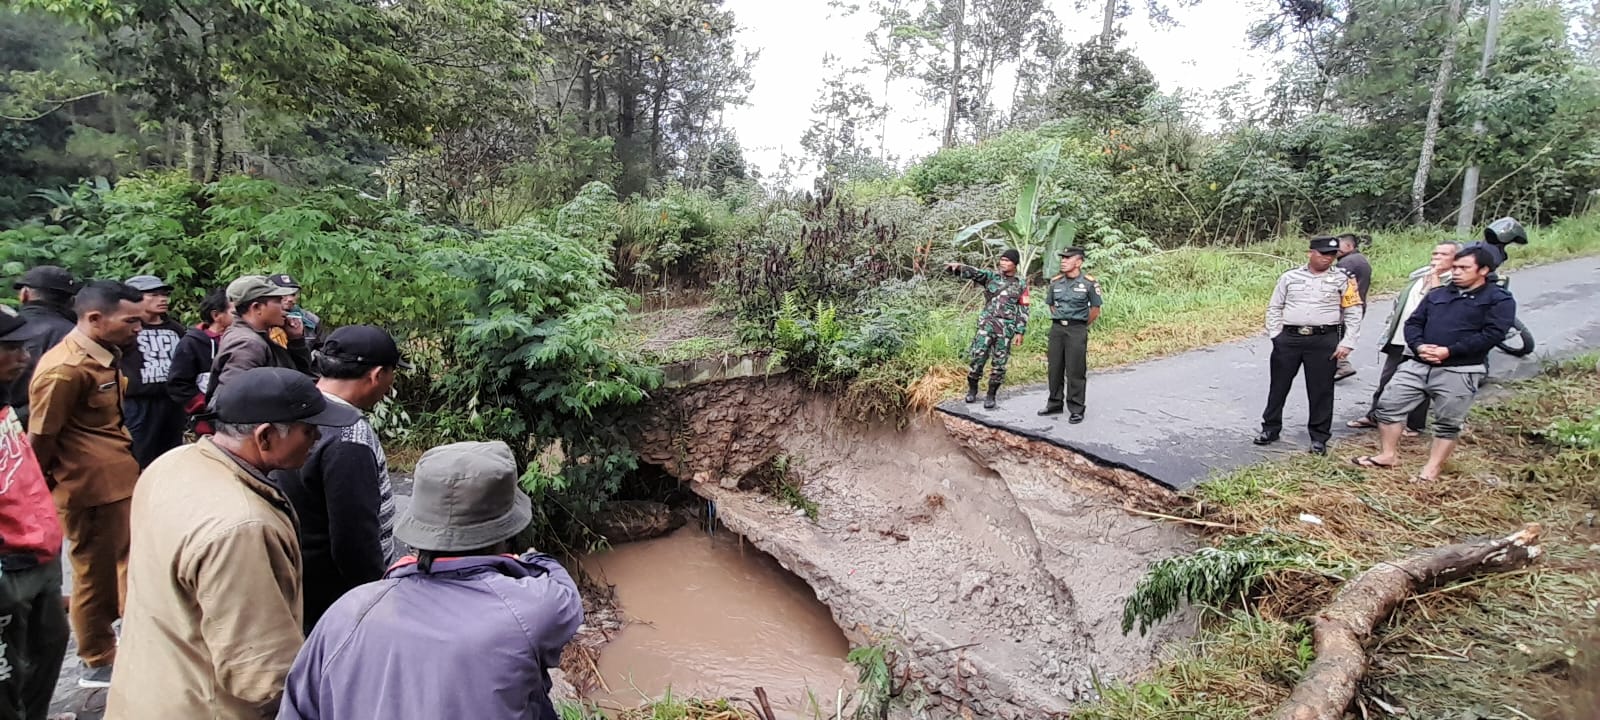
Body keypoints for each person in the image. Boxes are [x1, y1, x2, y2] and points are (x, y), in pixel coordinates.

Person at [106, 367, 360, 720]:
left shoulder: (171, 464)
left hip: (145, 690)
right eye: (308, 429)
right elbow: (262, 675)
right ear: (266, 436)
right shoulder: (243, 527)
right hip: (205, 707)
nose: (317, 437)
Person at [278, 440, 583, 720]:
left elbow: (297, 709)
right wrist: (526, 560)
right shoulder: (531, 606)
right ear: (506, 531)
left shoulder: (348, 612)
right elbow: (565, 593)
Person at [26, 280, 144, 688]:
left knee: (127, 561)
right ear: (95, 319)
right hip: (87, 486)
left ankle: (132, 637)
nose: (138, 329)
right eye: (131, 321)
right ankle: (96, 658)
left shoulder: (106, 354)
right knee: (93, 572)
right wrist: (37, 486)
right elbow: (42, 436)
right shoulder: (65, 368)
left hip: (118, 477)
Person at [272, 325, 411, 632]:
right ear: (376, 375)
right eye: (391, 374)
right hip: (337, 598)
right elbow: (353, 538)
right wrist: (373, 596)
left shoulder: (294, 410)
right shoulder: (350, 434)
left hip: (298, 577)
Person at [1352, 246, 1515, 482]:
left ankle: (1432, 469)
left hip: (1459, 369)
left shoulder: (1497, 299)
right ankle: (1388, 455)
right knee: (1387, 407)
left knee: (1448, 422)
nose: (1456, 272)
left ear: (1483, 270)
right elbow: (1413, 323)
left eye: (1464, 268)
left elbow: (1493, 334)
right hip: (1418, 363)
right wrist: (1418, 346)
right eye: (1455, 267)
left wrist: (1449, 351)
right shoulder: (1439, 294)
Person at [0, 306, 70, 720]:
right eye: (10, 348)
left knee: (48, 649)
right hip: (8, 566)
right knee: (7, 677)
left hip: (39, 551)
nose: (24, 357)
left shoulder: (7, 401)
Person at [1255, 236, 1363, 456]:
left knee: (1321, 390)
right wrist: (1276, 334)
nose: (1327, 259)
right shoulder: (1290, 277)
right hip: (1290, 338)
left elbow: (1353, 311)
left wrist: (1348, 341)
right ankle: (1270, 428)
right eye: (1323, 254)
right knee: (1279, 386)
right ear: (1310, 253)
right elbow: (1275, 306)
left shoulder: (1344, 279)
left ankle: (1319, 437)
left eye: (1331, 255)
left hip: (1323, 339)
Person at [1348, 242, 1460, 435]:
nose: (1436, 257)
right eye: (1435, 253)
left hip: (1425, 341)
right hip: (1401, 336)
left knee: (1420, 382)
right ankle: (1375, 416)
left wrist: (1434, 277)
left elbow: (1439, 305)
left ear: (1456, 259)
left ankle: (1414, 425)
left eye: (1443, 254)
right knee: (1387, 379)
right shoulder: (1419, 275)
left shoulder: (1453, 283)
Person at [945, 249, 1030, 409]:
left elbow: (1024, 308)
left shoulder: (1021, 284)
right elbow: (975, 273)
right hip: (986, 327)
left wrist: (1020, 331)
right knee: (977, 358)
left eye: (1007, 260)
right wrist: (959, 267)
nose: (1003, 263)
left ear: (1015, 264)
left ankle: (991, 394)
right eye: (1002, 260)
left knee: (999, 364)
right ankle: (972, 389)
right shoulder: (991, 278)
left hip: (1005, 330)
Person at [120, 275, 188, 467]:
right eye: (154, 295)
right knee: (137, 455)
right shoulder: (125, 329)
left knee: (171, 456)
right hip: (137, 403)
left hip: (171, 402)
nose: (163, 299)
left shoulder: (175, 329)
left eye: (164, 294)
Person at [210, 275, 311, 399]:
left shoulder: (257, 335)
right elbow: (232, 399)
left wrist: (295, 340)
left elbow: (300, 377)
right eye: (278, 301)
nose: (284, 309)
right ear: (256, 307)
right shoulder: (247, 344)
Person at [5, 266, 79, 423]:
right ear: (72, 301)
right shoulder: (77, 336)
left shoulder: (8, 327)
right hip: (52, 426)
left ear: (24, 294)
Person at [1037, 248, 1101, 424]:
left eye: (1067, 258)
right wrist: (1061, 319)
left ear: (1078, 262)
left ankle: (1076, 408)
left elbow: (1095, 309)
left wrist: (1079, 323)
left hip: (1076, 330)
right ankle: (1054, 403)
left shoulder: (1089, 283)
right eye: (1062, 258)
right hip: (1057, 329)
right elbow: (1051, 305)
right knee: (1054, 368)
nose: (1063, 261)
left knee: (1075, 370)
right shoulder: (1056, 282)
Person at [167, 288, 232, 436]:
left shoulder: (241, 340)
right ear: (216, 315)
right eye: (234, 312)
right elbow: (178, 384)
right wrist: (203, 405)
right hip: (207, 423)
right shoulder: (191, 343)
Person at [1333, 233, 1372, 382]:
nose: (1335, 248)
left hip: (1346, 307)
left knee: (1335, 336)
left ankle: (1342, 365)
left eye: (1338, 245)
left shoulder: (1347, 263)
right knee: (1340, 336)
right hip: (1358, 304)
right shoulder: (1360, 260)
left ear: (1349, 246)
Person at [266, 274, 323, 351]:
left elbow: (320, 352)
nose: (290, 299)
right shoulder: (261, 320)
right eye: (284, 293)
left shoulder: (311, 321)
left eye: (293, 294)